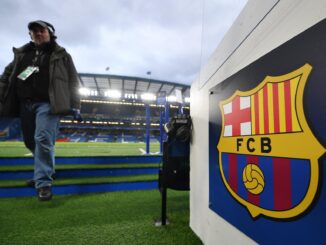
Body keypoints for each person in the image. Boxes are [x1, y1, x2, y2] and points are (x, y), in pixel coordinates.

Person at [0, 20, 82, 201]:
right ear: (30, 35)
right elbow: (6, 76)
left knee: (42, 138)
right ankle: (44, 173)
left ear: (50, 33)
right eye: (34, 31)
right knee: (31, 141)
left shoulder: (61, 55)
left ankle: (43, 183)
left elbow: (73, 81)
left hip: (49, 104)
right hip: (24, 104)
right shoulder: (22, 55)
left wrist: (76, 105)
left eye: (42, 30)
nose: (38, 33)